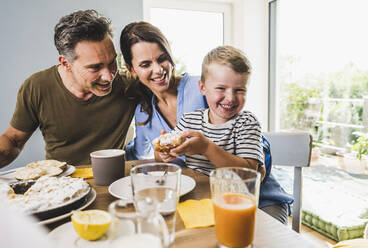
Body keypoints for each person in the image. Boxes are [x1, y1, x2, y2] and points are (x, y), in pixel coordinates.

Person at [156, 46, 293, 224]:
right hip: (211, 201)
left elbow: (248, 174)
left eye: (239, 90)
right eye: (221, 88)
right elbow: (161, 158)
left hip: (261, 203)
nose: (230, 98)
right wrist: (163, 153)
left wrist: (206, 147)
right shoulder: (190, 121)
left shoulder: (246, 123)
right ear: (203, 88)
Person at [0, 10, 138, 168]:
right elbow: (13, 139)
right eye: (95, 67)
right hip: (60, 185)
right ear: (65, 63)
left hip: (112, 182)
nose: (108, 76)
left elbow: (168, 92)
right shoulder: (37, 87)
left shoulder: (129, 86)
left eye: (112, 62)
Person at [120, 21, 207, 162]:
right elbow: (140, 154)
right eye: (145, 64)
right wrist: (159, 155)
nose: (158, 70)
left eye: (162, 59)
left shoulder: (201, 88)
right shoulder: (143, 112)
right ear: (131, 69)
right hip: (177, 182)